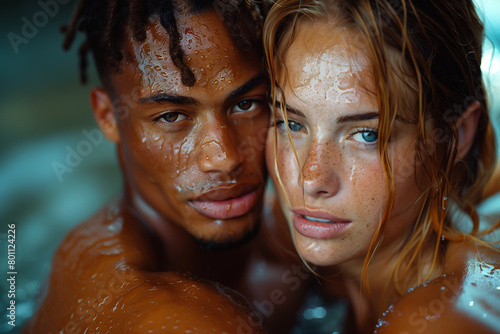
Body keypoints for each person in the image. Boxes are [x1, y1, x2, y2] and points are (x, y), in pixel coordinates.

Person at [23, 1, 309, 333]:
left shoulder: (293, 239)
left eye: (246, 104)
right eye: (171, 116)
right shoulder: (162, 316)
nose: (225, 157)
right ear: (106, 116)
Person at [263, 0, 500, 333]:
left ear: (455, 135)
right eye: (291, 123)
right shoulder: (283, 258)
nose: (310, 179)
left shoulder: (447, 320)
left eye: (366, 134)